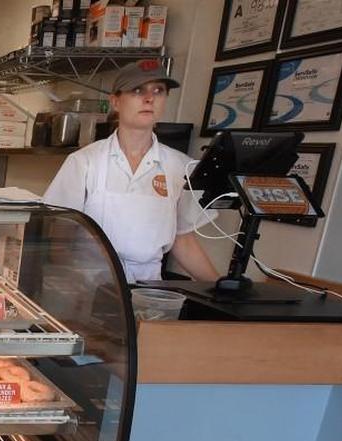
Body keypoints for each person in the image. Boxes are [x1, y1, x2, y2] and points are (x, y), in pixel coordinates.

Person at [43, 60, 218, 283]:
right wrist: (69, 290)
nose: (149, 98)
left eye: (158, 91)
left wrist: (220, 290)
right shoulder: (84, 162)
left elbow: (182, 239)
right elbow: (59, 236)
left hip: (149, 287)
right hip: (89, 284)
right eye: (138, 90)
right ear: (115, 101)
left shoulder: (180, 166)